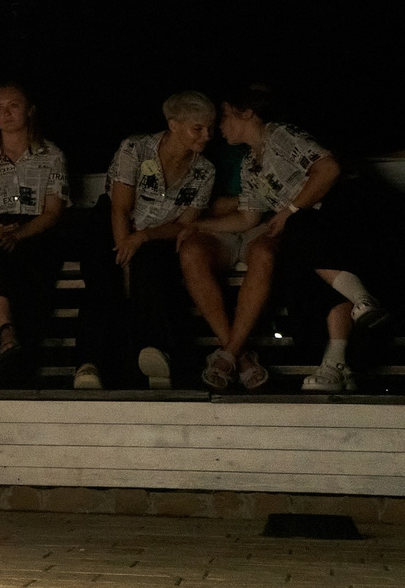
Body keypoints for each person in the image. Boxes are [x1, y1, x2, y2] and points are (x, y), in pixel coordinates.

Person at [198, 89, 385, 392]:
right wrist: (195, 226)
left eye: (225, 115)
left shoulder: (280, 135)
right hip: (311, 231)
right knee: (303, 251)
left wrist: (290, 210)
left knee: (299, 232)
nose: (218, 126)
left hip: (346, 210)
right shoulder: (249, 164)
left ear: (247, 113)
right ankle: (340, 353)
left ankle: (360, 307)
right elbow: (248, 218)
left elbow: (328, 169)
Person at [100, 92, 225, 390]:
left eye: (210, 127)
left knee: (154, 263)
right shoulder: (136, 148)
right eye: (197, 128)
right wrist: (125, 254)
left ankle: (158, 355)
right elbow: (120, 207)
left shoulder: (204, 170)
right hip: (120, 228)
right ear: (173, 125)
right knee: (126, 276)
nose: (206, 135)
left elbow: (185, 223)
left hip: (160, 236)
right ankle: (149, 357)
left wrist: (143, 237)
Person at [0, 83, 67, 388]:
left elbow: (52, 211)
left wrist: (19, 235)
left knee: (20, 272)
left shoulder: (51, 155)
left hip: (35, 229)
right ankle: (3, 337)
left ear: (29, 110)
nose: (5, 114)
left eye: (13, 106)